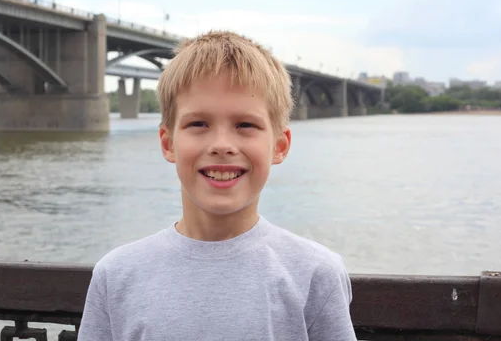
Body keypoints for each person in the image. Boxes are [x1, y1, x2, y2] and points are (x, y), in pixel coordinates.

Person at [77, 30, 357, 341]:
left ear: (279, 146)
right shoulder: (115, 276)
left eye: (245, 125)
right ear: (168, 143)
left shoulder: (316, 274)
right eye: (198, 124)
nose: (222, 145)